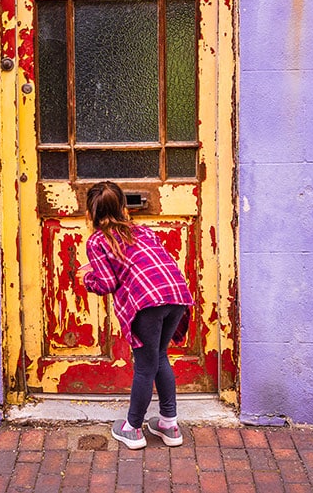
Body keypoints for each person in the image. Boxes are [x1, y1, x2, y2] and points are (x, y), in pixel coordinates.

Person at [76, 181, 194, 449]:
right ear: (123, 208)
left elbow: (106, 283)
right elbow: (142, 262)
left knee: (144, 366)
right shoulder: (143, 231)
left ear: (89, 214)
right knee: (160, 356)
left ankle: (132, 428)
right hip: (175, 295)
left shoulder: (97, 240)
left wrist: (88, 277)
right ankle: (169, 423)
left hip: (146, 303)